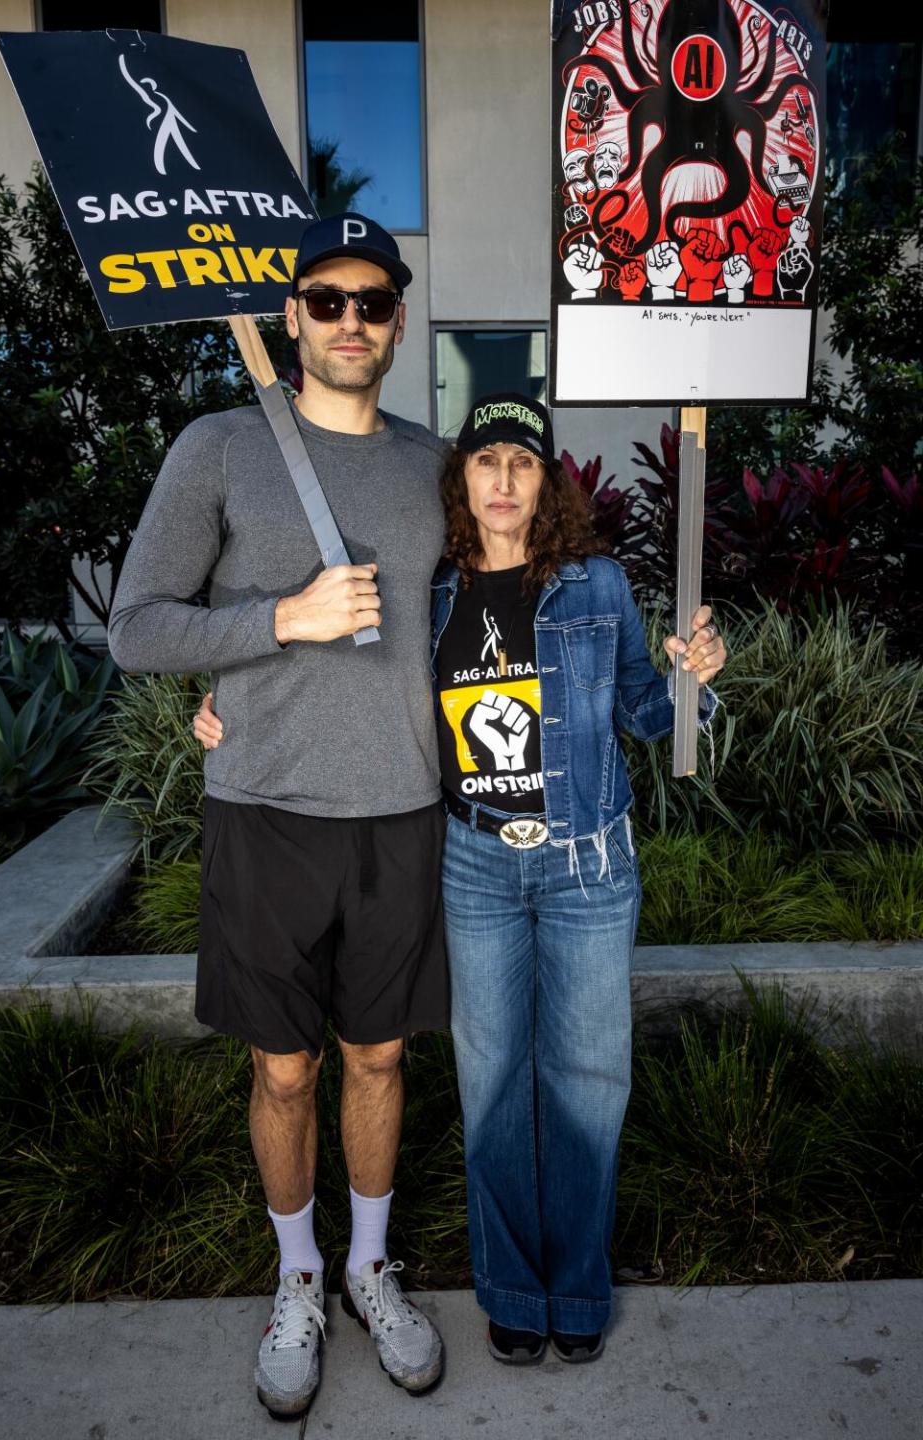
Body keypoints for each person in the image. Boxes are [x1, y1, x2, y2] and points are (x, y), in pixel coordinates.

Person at [195, 390, 726, 1369]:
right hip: (474, 863)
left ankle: (576, 1286)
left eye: (523, 464)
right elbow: (333, 678)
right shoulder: (426, 592)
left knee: (588, 1082)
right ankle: (516, 1292)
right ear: (463, 479)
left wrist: (695, 673)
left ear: (545, 482)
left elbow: (652, 721)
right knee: (493, 1084)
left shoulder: (598, 586)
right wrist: (228, 705)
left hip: (586, 866)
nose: (504, 481)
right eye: (487, 462)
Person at [108, 212, 447, 1420]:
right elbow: (138, 626)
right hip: (269, 812)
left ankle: (368, 1266)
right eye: (325, 299)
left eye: (373, 298)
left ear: (398, 319)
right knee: (288, 1071)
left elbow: (500, 605)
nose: (350, 318)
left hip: (403, 810)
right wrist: (276, 625)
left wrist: (671, 648)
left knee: (380, 1054)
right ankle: (297, 1276)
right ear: (292, 316)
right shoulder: (219, 448)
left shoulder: (430, 461)